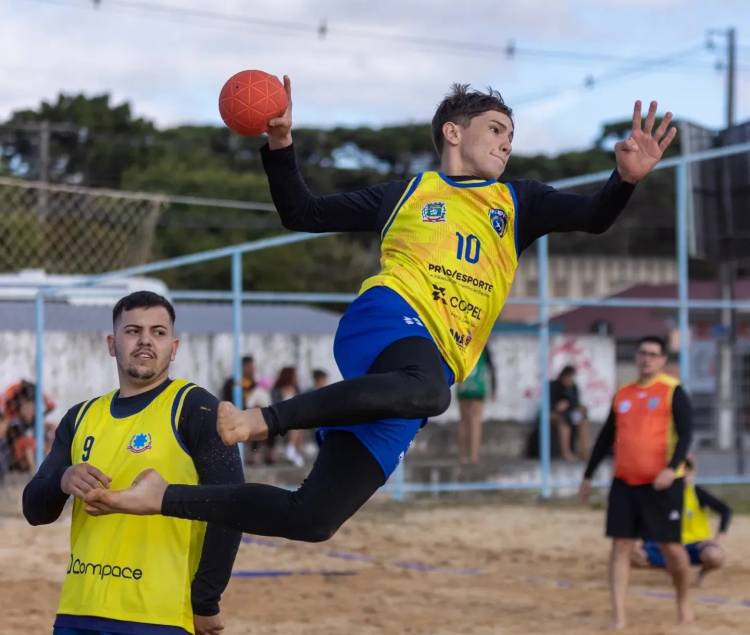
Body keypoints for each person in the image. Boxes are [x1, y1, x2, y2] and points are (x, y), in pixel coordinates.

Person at [84, 81, 676, 551]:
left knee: (312, 518)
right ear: (453, 131)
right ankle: (263, 420)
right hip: (388, 319)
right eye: (495, 129)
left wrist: (623, 181)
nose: (505, 143)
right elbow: (302, 212)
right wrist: (282, 144)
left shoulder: (518, 200)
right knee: (429, 392)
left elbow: (595, 216)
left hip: (425, 369)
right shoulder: (407, 194)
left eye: (510, 136)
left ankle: (163, 497)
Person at [23, 291, 243, 635]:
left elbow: (232, 508)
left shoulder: (196, 408)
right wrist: (62, 479)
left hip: (161, 614)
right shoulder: (80, 416)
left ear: (174, 346)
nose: (145, 341)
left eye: (158, 332)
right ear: (112, 344)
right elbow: (34, 510)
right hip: (79, 609)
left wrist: (205, 601)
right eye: (132, 331)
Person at [579, 335, 693, 629]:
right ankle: (619, 616)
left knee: (672, 550)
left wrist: (671, 469)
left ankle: (683, 603)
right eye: (642, 353)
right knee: (621, 546)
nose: (646, 358)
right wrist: (588, 475)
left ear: (663, 360)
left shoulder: (673, 391)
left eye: (653, 354)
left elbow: (686, 436)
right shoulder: (624, 393)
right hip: (624, 482)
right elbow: (606, 437)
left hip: (662, 484)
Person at [631, 455, 731, 587]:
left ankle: (698, 575)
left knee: (715, 556)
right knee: (630, 556)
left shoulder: (697, 493)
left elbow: (725, 510)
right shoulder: (660, 494)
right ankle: (674, 572)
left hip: (694, 544)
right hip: (668, 546)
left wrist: (717, 540)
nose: (684, 475)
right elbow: (644, 519)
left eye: (687, 471)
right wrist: (637, 542)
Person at [221, 354, 274, 465]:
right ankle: (253, 455)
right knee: (256, 420)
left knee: (265, 419)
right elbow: (226, 401)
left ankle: (265, 454)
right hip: (235, 413)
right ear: (243, 367)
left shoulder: (254, 384)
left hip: (251, 414)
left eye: (253, 367)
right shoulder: (232, 383)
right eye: (250, 367)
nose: (252, 369)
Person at [456, 345, 496, 465]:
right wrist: (494, 388)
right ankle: (473, 456)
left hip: (463, 387)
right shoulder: (483, 345)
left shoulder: (463, 343)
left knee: (463, 421)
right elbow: (491, 368)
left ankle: (462, 456)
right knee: (475, 422)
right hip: (478, 388)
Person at [550, 365, 590, 461]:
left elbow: (576, 404)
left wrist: (580, 409)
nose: (570, 380)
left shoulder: (573, 387)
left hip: (569, 415)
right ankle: (566, 453)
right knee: (564, 424)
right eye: (568, 377)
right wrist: (557, 406)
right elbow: (547, 405)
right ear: (563, 376)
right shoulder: (553, 385)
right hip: (554, 415)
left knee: (583, 421)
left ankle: (584, 452)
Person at [271, 366, 304, 467]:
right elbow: (274, 405)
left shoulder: (297, 389)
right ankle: (292, 450)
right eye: (295, 375)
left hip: (294, 418)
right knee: (297, 424)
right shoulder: (276, 390)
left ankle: (292, 450)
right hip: (280, 417)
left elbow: (301, 404)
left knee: (300, 423)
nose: (297, 377)